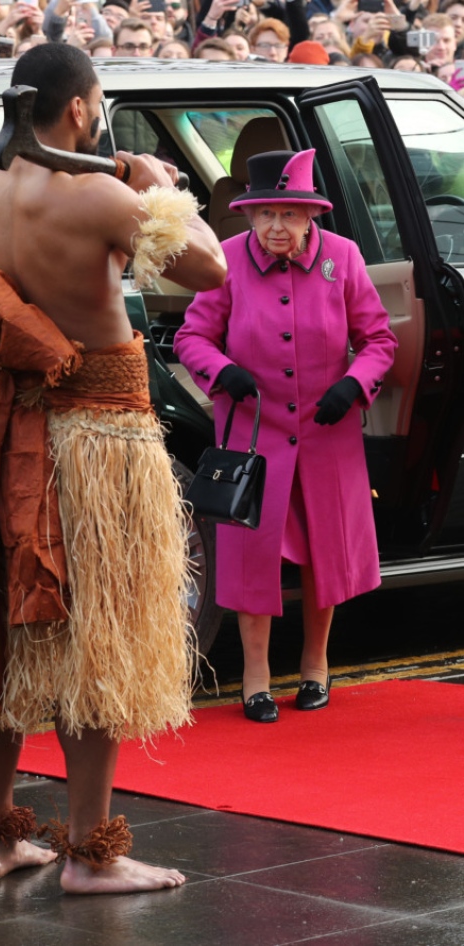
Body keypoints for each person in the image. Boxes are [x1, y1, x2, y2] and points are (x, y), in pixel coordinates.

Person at [0, 43, 226, 892]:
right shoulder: (102, 197)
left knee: (5, 635)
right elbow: (209, 267)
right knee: (100, 642)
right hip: (97, 441)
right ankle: (93, 855)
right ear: (82, 110)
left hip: (7, 427)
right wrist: (157, 184)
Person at [173, 149, 397, 723]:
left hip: (327, 433)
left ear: (310, 216)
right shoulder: (224, 262)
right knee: (253, 556)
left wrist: (354, 385)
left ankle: (316, 668)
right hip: (255, 436)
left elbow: (379, 342)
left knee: (327, 551)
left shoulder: (342, 259)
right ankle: (256, 678)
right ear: (247, 215)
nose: (277, 227)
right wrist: (222, 371)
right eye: (265, 214)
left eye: (289, 215)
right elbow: (191, 337)